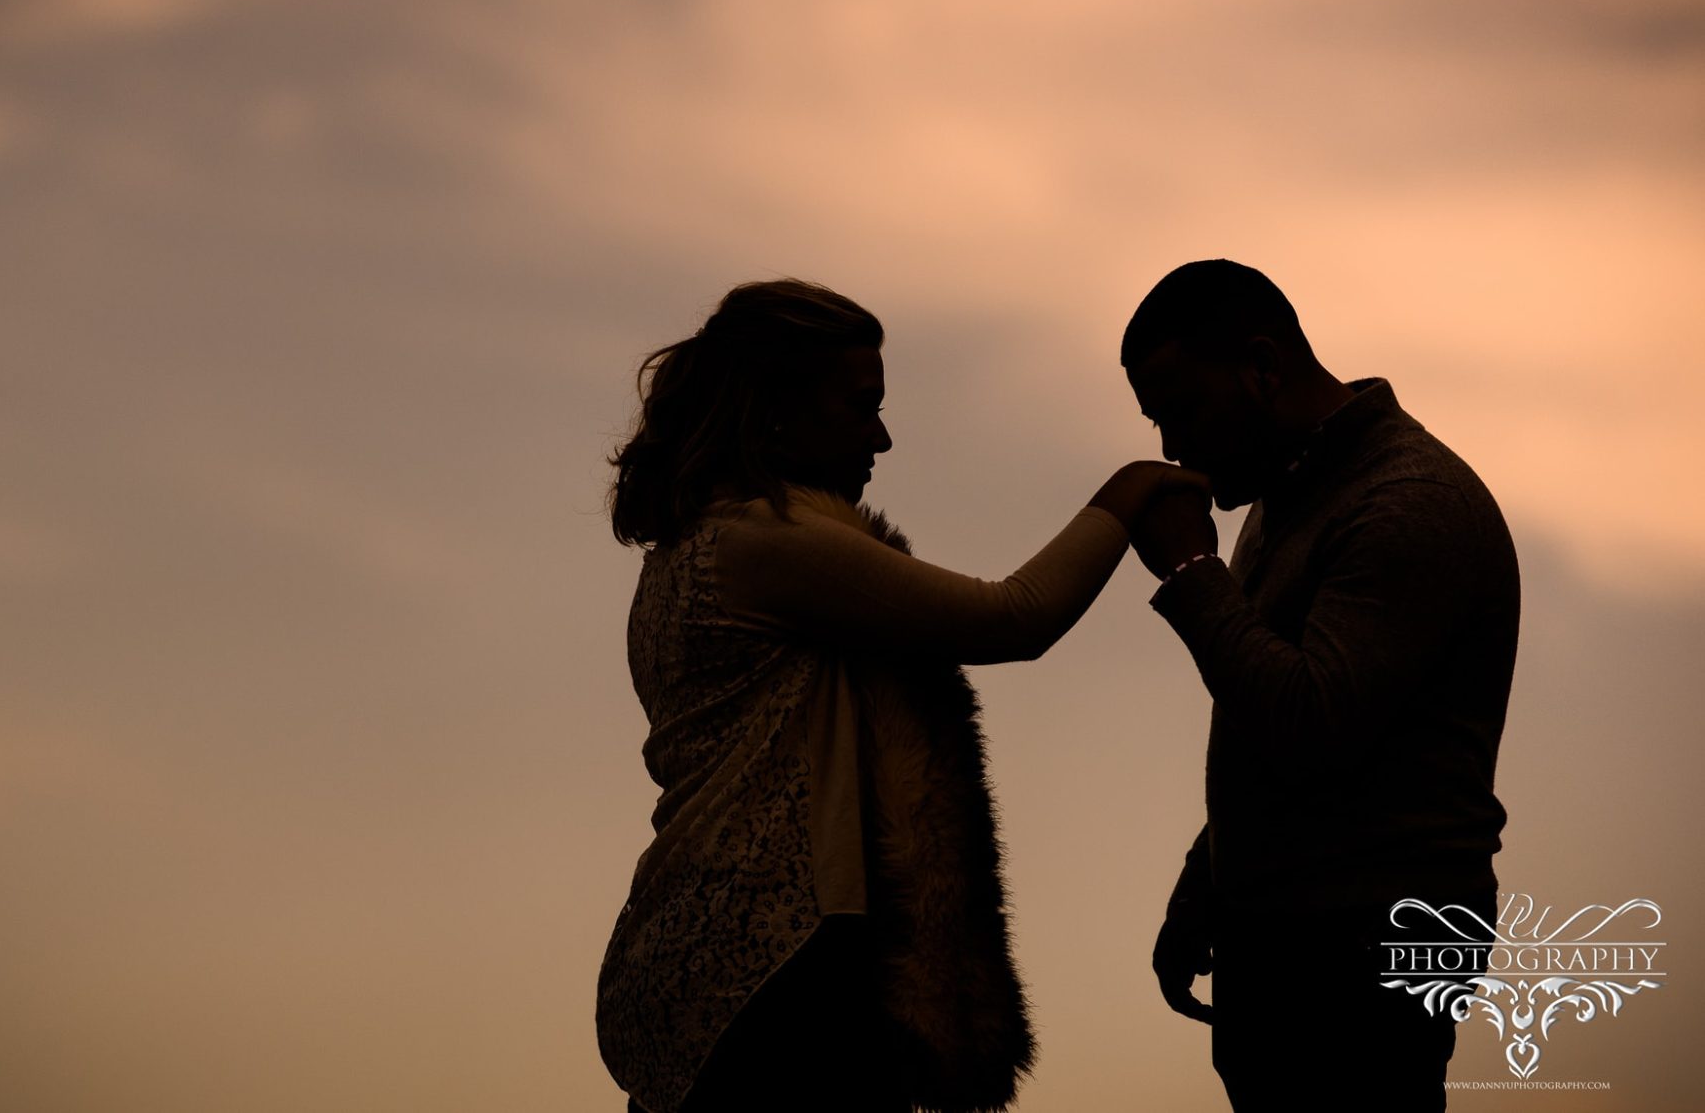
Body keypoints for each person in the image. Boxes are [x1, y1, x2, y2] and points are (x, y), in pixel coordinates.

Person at [596, 278, 1205, 1113]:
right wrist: (1129, 494)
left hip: (697, 947)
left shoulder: (688, 552)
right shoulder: (762, 544)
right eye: (861, 406)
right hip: (785, 957)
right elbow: (1011, 619)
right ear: (776, 410)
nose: (882, 436)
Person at [1119, 260, 1519, 1112]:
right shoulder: (1290, 493)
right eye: (1157, 421)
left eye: (1182, 412)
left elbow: (1311, 722)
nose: (1171, 450)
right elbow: (1272, 715)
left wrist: (1193, 571)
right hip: (1298, 934)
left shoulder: (1405, 502)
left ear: (1262, 368)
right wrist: (1209, 883)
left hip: (1367, 940)